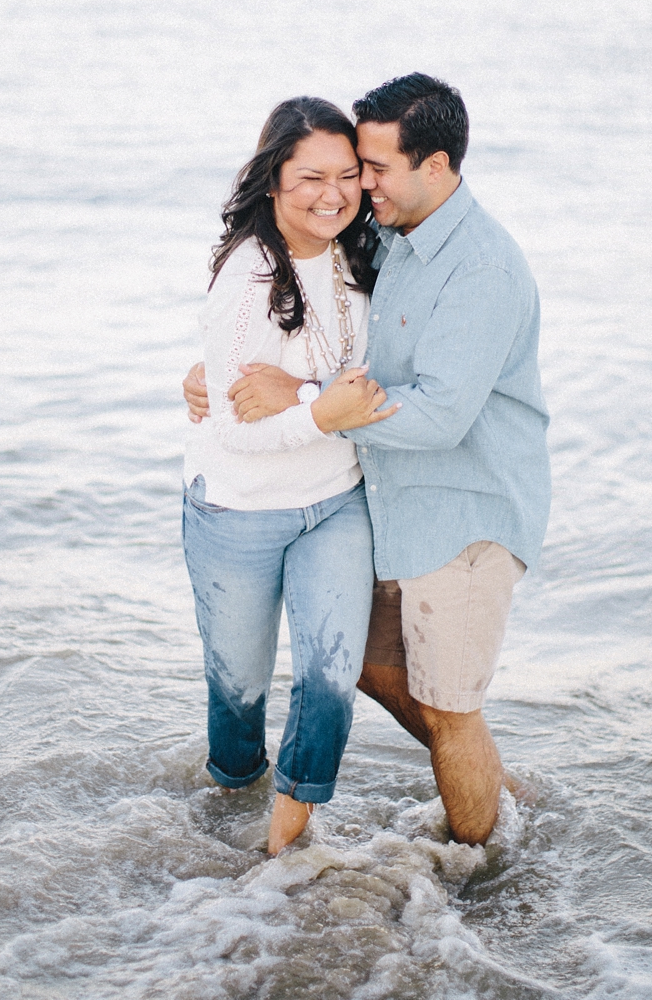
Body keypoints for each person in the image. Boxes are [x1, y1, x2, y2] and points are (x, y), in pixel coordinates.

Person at [184, 74, 551, 846]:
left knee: (450, 708)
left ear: (438, 167)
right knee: (370, 668)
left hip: (464, 515)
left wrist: (305, 398)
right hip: (393, 504)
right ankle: (492, 774)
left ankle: (479, 873)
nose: (359, 186)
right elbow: (301, 303)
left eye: (372, 168)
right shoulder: (389, 237)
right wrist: (214, 374)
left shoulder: (480, 267)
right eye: (353, 166)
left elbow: (441, 415)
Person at [182, 96, 398, 856]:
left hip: (336, 504)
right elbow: (236, 429)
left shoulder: (366, 251)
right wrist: (323, 413)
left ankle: (278, 856)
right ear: (273, 178)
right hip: (237, 512)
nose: (332, 193)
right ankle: (224, 813)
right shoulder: (245, 278)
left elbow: (376, 378)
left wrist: (307, 400)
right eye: (311, 176)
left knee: (329, 680)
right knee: (238, 697)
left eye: (348, 175)